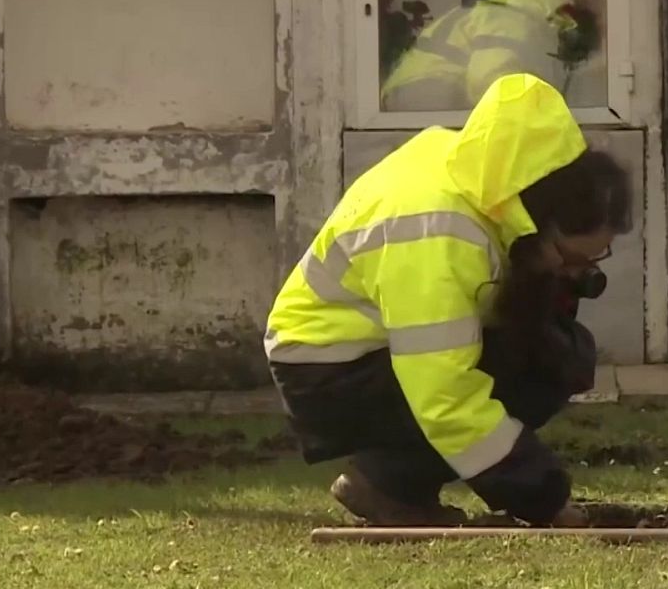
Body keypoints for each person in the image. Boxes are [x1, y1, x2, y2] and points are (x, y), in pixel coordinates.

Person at [264, 73, 631, 526]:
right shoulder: (437, 229)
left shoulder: (472, 176)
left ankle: (393, 482)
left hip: (357, 353)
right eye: (571, 259)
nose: (575, 276)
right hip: (327, 371)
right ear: (540, 210)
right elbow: (445, 394)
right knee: (536, 365)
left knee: (556, 353)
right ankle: (387, 485)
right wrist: (547, 502)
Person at [381, 0, 599, 111]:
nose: (561, 24)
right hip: (429, 96)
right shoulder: (510, 19)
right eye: (559, 10)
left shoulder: (479, 14)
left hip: (406, 97)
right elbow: (490, 81)